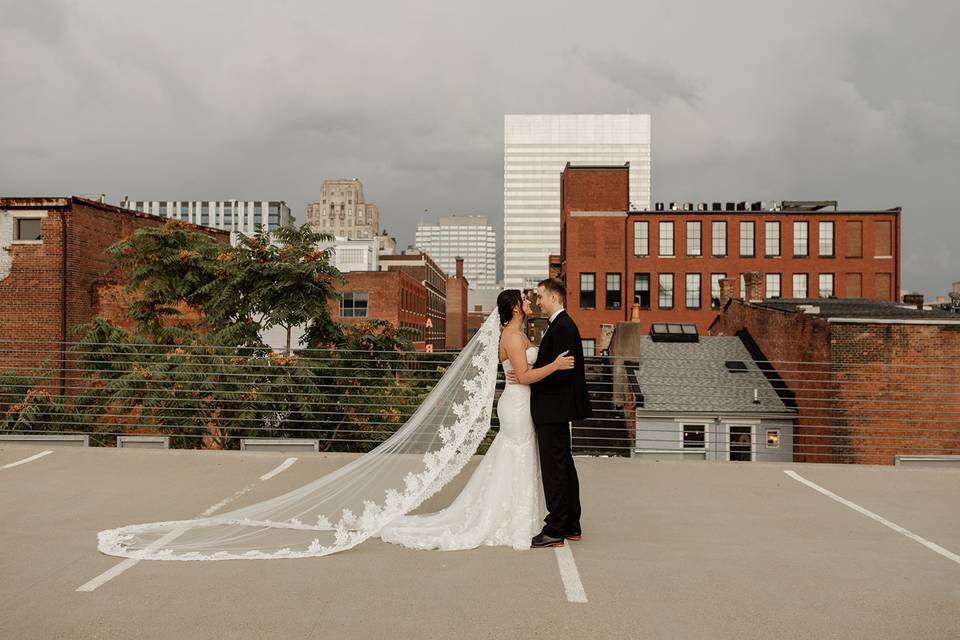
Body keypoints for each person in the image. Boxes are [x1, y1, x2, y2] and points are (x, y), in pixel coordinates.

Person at [377, 289, 575, 550]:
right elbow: (524, 376)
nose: (529, 302)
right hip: (516, 405)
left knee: (518, 458)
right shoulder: (513, 337)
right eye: (524, 300)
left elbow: (524, 372)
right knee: (517, 456)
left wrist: (530, 372)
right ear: (516, 308)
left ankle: (518, 516)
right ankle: (507, 518)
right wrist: (554, 366)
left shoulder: (520, 334)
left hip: (522, 402)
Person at [507, 278, 592, 548]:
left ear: (554, 297)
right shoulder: (560, 325)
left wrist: (526, 378)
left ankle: (555, 528)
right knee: (564, 466)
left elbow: (562, 371)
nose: (537, 301)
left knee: (555, 470)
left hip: (552, 409)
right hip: (555, 409)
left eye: (540, 296)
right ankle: (571, 524)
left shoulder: (563, 327)